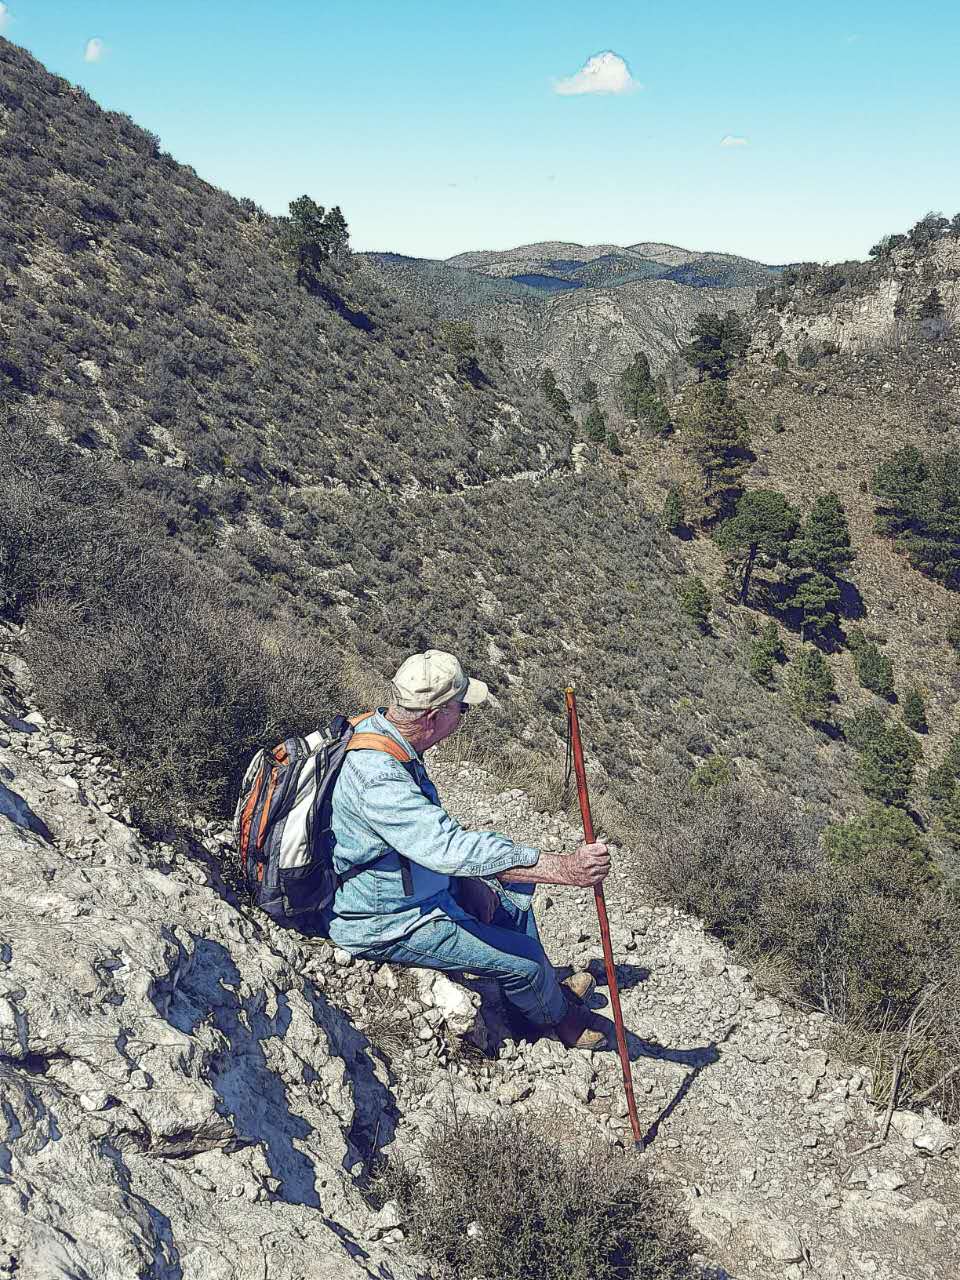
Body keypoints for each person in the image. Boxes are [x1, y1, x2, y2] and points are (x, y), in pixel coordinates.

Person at [329, 649, 611, 1051]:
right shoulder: (380, 779)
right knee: (525, 962)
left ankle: (538, 997)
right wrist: (565, 869)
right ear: (434, 717)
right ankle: (554, 1019)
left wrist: (463, 879)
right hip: (389, 919)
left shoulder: (384, 735)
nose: (462, 717)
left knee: (512, 900)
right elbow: (447, 846)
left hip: (411, 884)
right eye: (461, 708)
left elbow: (425, 841)